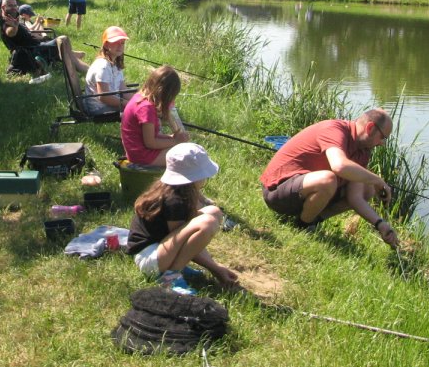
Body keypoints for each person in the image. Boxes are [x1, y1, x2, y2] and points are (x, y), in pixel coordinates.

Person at [259, 108, 399, 248]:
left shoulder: (363, 151)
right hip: (276, 191)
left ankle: (312, 220)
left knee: (367, 189)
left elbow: (355, 197)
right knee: (328, 180)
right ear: (370, 127)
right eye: (383, 138)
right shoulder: (335, 129)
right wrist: (377, 180)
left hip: (302, 191)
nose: (382, 144)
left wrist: (380, 224)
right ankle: (302, 226)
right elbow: (339, 166)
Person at [126, 142, 239, 295]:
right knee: (207, 222)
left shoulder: (177, 189)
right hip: (150, 260)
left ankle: (177, 266)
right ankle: (170, 276)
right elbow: (183, 242)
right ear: (195, 177)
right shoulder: (175, 200)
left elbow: (184, 238)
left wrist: (214, 266)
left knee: (214, 212)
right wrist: (215, 269)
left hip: (161, 250)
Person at [121, 65, 189, 167]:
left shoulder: (140, 97)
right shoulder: (146, 108)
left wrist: (171, 138)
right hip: (142, 156)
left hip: (138, 151)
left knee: (184, 149)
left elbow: (149, 136)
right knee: (186, 156)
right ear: (164, 93)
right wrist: (175, 141)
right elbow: (150, 143)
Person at [0, 0, 89, 74]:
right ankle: (82, 70)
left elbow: (29, 32)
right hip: (34, 49)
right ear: (3, 7)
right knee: (63, 40)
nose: (14, 8)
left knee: (68, 50)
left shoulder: (15, 18)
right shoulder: (6, 22)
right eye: (10, 6)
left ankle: (83, 68)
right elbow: (10, 33)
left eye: (15, 5)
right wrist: (15, 27)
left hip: (39, 44)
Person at [84, 26, 131, 115]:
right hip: (99, 108)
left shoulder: (115, 64)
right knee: (141, 111)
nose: (120, 46)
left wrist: (139, 101)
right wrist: (128, 104)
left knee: (143, 106)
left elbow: (123, 89)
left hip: (111, 103)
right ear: (106, 44)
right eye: (116, 42)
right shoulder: (103, 66)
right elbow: (104, 97)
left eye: (122, 43)